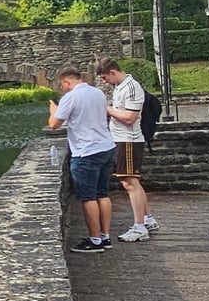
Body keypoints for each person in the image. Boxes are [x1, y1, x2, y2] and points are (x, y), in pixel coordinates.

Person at [48, 65, 115, 251]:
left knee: (88, 197)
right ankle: (105, 236)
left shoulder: (71, 97)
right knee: (102, 193)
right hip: (106, 147)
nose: (63, 89)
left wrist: (53, 110)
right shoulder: (98, 93)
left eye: (63, 86)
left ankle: (95, 240)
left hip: (86, 152)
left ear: (66, 81)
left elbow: (54, 125)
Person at [97, 59, 159, 243]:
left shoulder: (131, 87)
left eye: (105, 77)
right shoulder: (119, 87)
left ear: (113, 72)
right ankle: (147, 219)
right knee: (131, 182)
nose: (104, 81)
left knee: (130, 183)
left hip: (129, 140)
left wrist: (108, 110)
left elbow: (130, 117)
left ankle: (139, 227)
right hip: (121, 139)